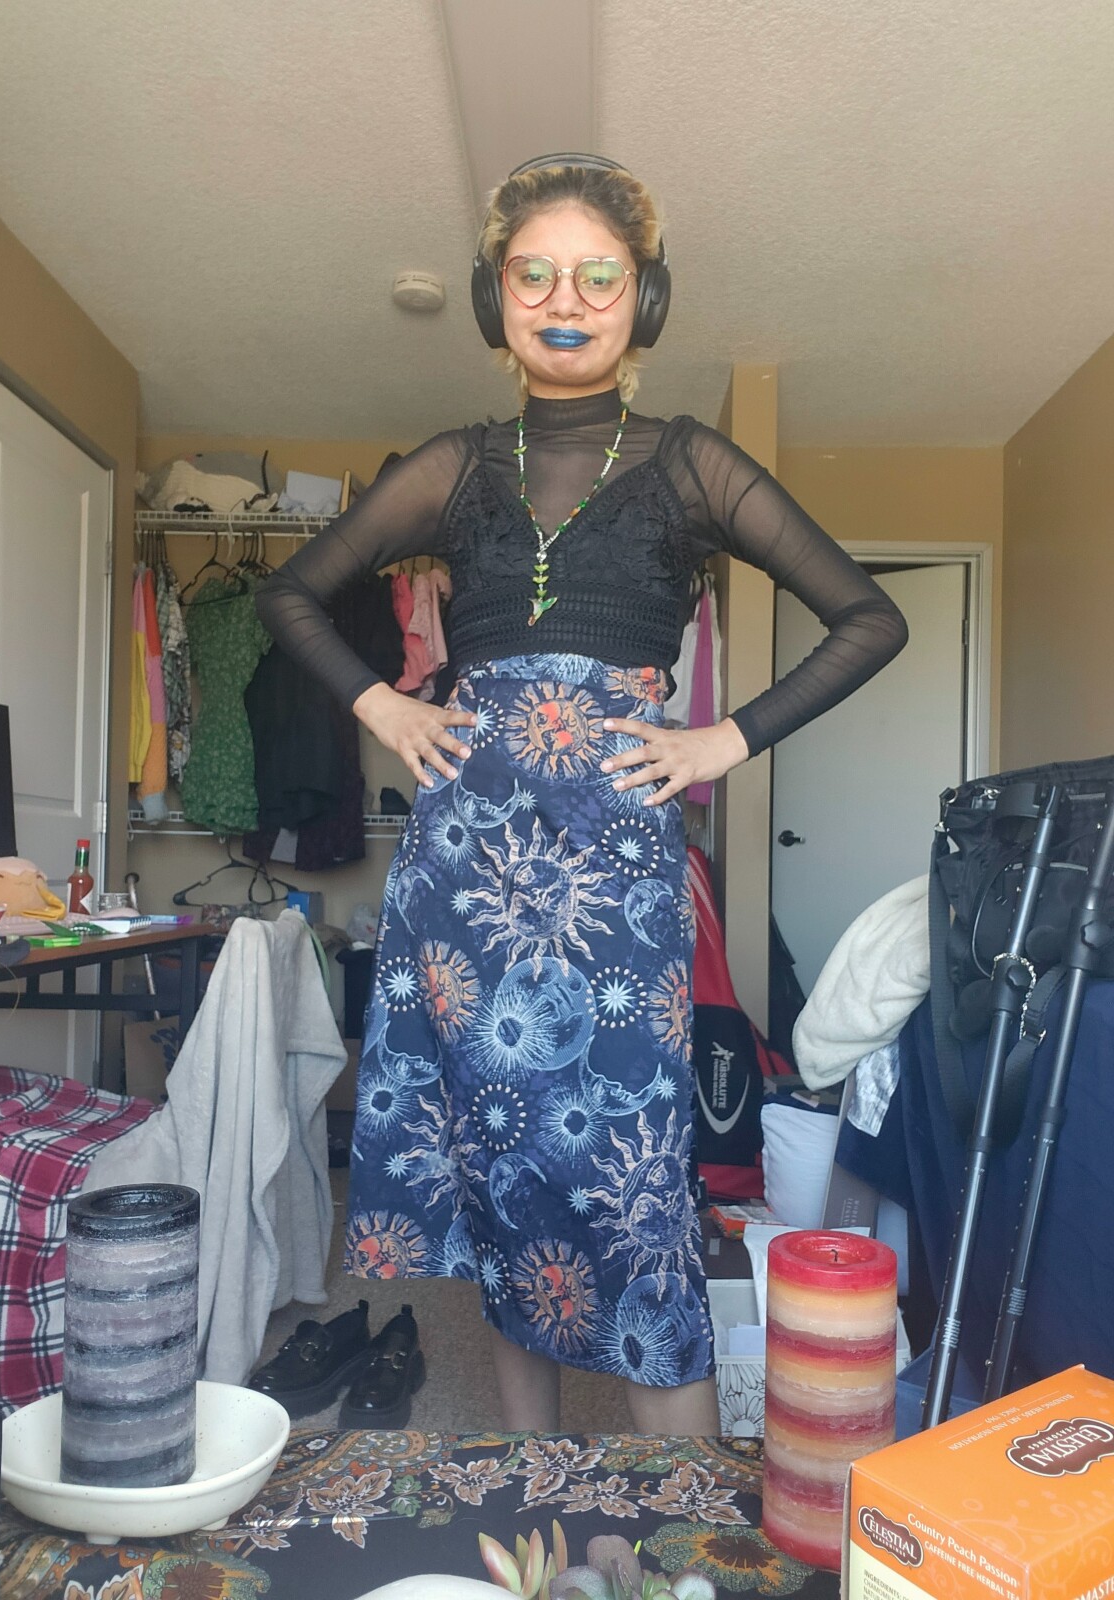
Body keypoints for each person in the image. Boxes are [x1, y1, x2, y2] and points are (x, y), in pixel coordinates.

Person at [256, 154, 908, 1436]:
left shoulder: (690, 463)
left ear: (642, 298)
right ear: (496, 299)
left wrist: (724, 738)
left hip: (615, 871)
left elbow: (867, 618)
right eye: (534, 274)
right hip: (468, 870)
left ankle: (678, 1519)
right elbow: (290, 594)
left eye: (598, 275)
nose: (565, 299)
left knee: (633, 1183)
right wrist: (384, 704)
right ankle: (535, 1484)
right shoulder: (455, 464)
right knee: (507, 1172)